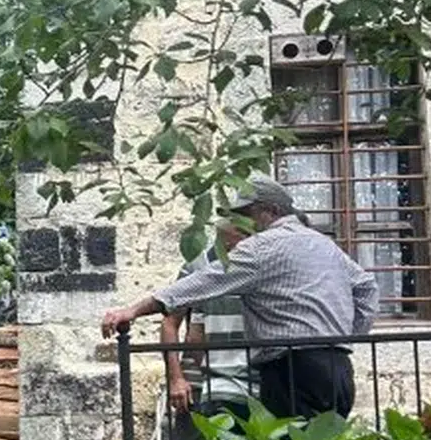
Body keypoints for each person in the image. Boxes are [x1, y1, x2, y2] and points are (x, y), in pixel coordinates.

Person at [102, 175, 379, 419]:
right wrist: (347, 337)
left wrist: (133, 311)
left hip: (292, 370)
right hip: (339, 367)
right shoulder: (322, 243)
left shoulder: (261, 247)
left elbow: (201, 283)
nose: (240, 222)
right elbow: (367, 288)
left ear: (271, 211)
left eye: (246, 214)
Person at [162, 223, 256, 440]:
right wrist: (176, 379)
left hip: (250, 380)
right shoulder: (198, 265)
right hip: (198, 382)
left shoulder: (258, 264)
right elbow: (170, 323)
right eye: (243, 232)